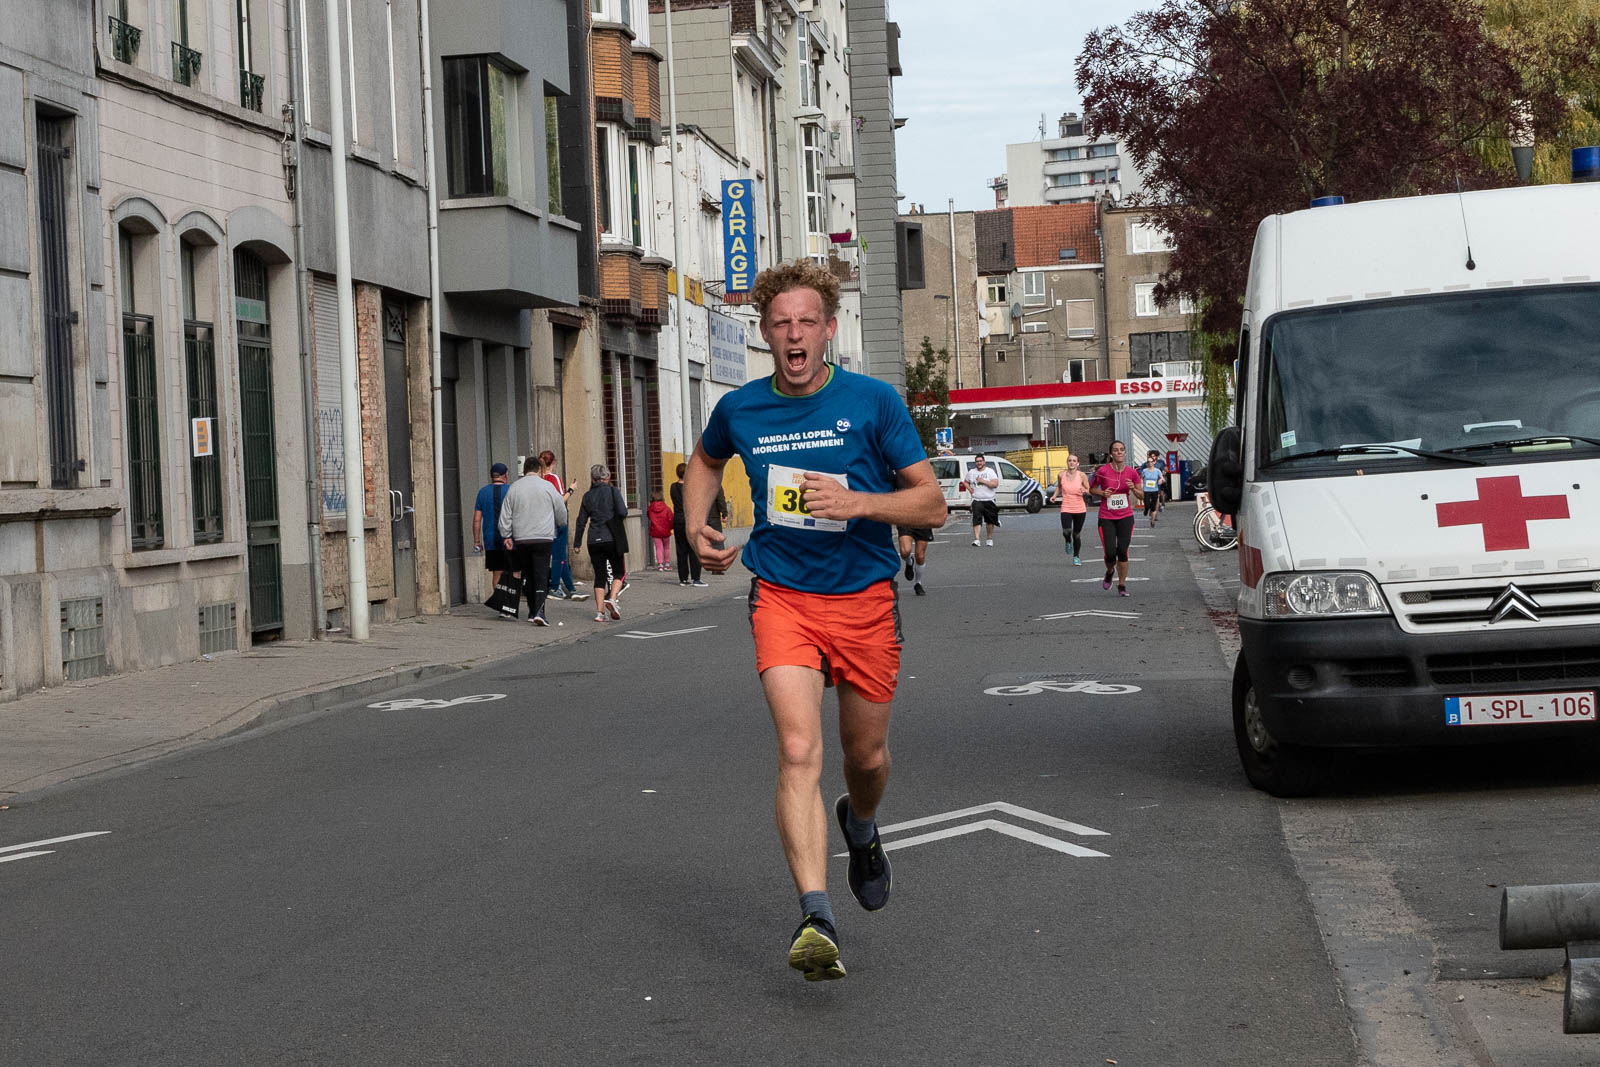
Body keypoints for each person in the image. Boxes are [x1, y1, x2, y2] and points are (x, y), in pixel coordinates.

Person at [683, 259, 946, 983]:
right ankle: (815, 914)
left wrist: (856, 502)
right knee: (799, 749)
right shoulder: (742, 408)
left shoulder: (872, 403)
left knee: (865, 759)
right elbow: (705, 462)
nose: (794, 335)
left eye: (806, 322)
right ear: (766, 333)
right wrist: (695, 523)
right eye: (781, 324)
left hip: (863, 598)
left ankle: (860, 827)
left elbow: (931, 505)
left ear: (829, 330)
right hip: (783, 596)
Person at [496, 456, 567, 626]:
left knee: (528, 574)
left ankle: (531, 610)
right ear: (540, 470)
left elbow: (505, 515)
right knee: (541, 574)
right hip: (543, 537)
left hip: (522, 538)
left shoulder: (514, 488)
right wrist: (560, 523)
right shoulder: (548, 487)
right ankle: (539, 611)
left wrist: (506, 535)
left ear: (524, 470)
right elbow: (561, 511)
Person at [572, 463, 628, 622]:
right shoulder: (612, 491)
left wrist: (577, 543)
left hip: (593, 540)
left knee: (600, 576)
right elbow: (623, 512)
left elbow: (581, 521)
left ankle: (599, 613)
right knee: (619, 572)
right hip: (611, 538)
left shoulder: (587, 496)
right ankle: (612, 598)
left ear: (593, 478)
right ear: (607, 477)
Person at [1089, 440, 1145, 596]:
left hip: (1125, 516)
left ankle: (1122, 585)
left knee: (1122, 550)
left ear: (1125, 452)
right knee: (1110, 552)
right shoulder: (1103, 471)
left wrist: (1133, 488)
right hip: (1106, 516)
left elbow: (1141, 495)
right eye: (1116, 450)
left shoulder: (1132, 472)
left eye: (1122, 450)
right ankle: (1109, 570)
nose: (1119, 452)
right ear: (1111, 454)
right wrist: (1102, 493)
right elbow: (1091, 489)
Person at [670, 462, 723, 587]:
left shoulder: (673, 487)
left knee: (681, 550)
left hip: (678, 519)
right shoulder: (692, 487)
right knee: (694, 548)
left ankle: (683, 579)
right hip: (690, 519)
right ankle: (696, 578)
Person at [539, 449, 583, 601]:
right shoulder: (553, 478)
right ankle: (554, 586)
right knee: (559, 554)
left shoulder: (539, 479)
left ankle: (571, 587)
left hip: (544, 520)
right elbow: (560, 500)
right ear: (553, 463)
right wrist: (571, 489)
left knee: (560, 554)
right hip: (558, 519)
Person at [473, 462, 514, 612]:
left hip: (490, 539)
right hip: (510, 539)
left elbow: (477, 520)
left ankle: (501, 604)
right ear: (505, 475)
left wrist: (477, 541)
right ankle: (509, 604)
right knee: (511, 571)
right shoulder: (511, 491)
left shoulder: (482, 492)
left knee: (497, 571)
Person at [1047, 453, 1091, 565]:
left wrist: (1084, 490)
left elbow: (1088, 490)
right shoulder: (1061, 475)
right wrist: (1054, 496)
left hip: (1080, 508)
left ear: (1078, 463)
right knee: (1067, 531)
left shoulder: (1082, 475)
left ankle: (1076, 556)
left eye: (1074, 461)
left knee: (1076, 534)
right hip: (1066, 506)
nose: (1071, 462)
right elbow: (1059, 487)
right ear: (1067, 462)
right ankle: (1067, 541)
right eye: (1069, 460)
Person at [968, 453, 1000, 546]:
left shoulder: (990, 472)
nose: (979, 463)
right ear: (975, 463)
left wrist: (983, 481)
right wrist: (970, 489)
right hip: (977, 499)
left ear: (984, 462)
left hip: (989, 499)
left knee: (989, 521)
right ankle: (977, 539)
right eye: (977, 461)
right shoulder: (971, 472)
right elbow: (965, 481)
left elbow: (995, 484)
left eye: (980, 461)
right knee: (976, 519)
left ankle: (989, 539)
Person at [896, 524, 932, 595]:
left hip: (922, 521)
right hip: (905, 519)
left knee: (920, 556)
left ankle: (918, 583)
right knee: (905, 551)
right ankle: (909, 561)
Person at [647, 488, 674, 571]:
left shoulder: (650, 509)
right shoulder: (667, 508)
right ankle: (667, 564)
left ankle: (660, 564)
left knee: (658, 547)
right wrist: (671, 527)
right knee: (666, 547)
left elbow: (648, 517)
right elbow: (671, 519)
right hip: (665, 530)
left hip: (655, 531)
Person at [1140, 454, 1166, 526]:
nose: (1150, 463)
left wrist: (1161, 480)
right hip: (1146, 490)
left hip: (1155, 490)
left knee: (1153, 506)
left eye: (1151, 462)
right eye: (1148, 462)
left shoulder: (1157, 471)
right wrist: (1142, 486)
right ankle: (1146, 510)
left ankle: (1152, 521)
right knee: (1147, 504)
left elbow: (1162, 478)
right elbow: (1141, 478)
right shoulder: (1145, 471)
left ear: (1154, 462)